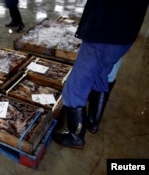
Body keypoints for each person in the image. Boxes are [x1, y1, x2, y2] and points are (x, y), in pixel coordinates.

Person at [53, 0, 149, 149]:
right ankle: (93, 122)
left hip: (103, 31)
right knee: (101, 76)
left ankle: (75, 136)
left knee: (75, 88)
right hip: (125, 33)